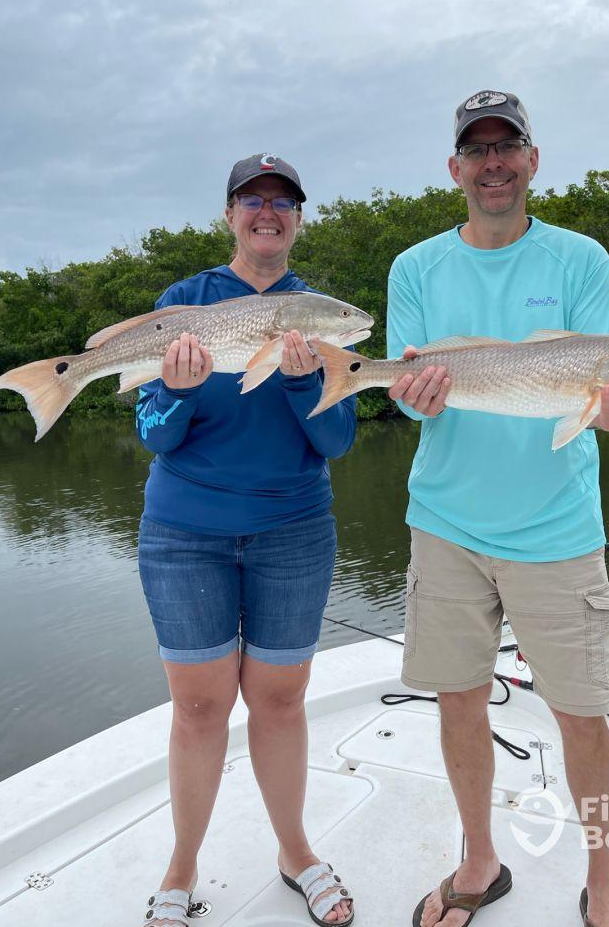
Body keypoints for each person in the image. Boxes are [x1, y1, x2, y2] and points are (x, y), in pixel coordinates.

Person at [387, 92, 609, 927]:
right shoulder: (415, 268)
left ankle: (605, 882)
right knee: (458, 700)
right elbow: (407, 400)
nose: (493, 162)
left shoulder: (581, 259)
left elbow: (601, 383)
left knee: (583, 714)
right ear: (455, 170)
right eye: (477, 150)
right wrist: (416, 397)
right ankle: (479, 858)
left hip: (558, 528)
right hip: (445, 523)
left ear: (533, 159)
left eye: (507, 145)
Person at [136, 153, 355, 927]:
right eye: (253, 199)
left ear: (299, 217)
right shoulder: (186, 302)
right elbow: (157, 437)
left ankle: (295, 851)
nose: (269, 211)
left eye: (284, 201)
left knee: (283, 700)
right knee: (198, 709)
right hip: (183, 534)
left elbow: (336, 443)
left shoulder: (320, 313)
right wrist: (178, 388)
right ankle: (181, 866)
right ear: (230, 214)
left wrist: (302, 377)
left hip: (293, 532)